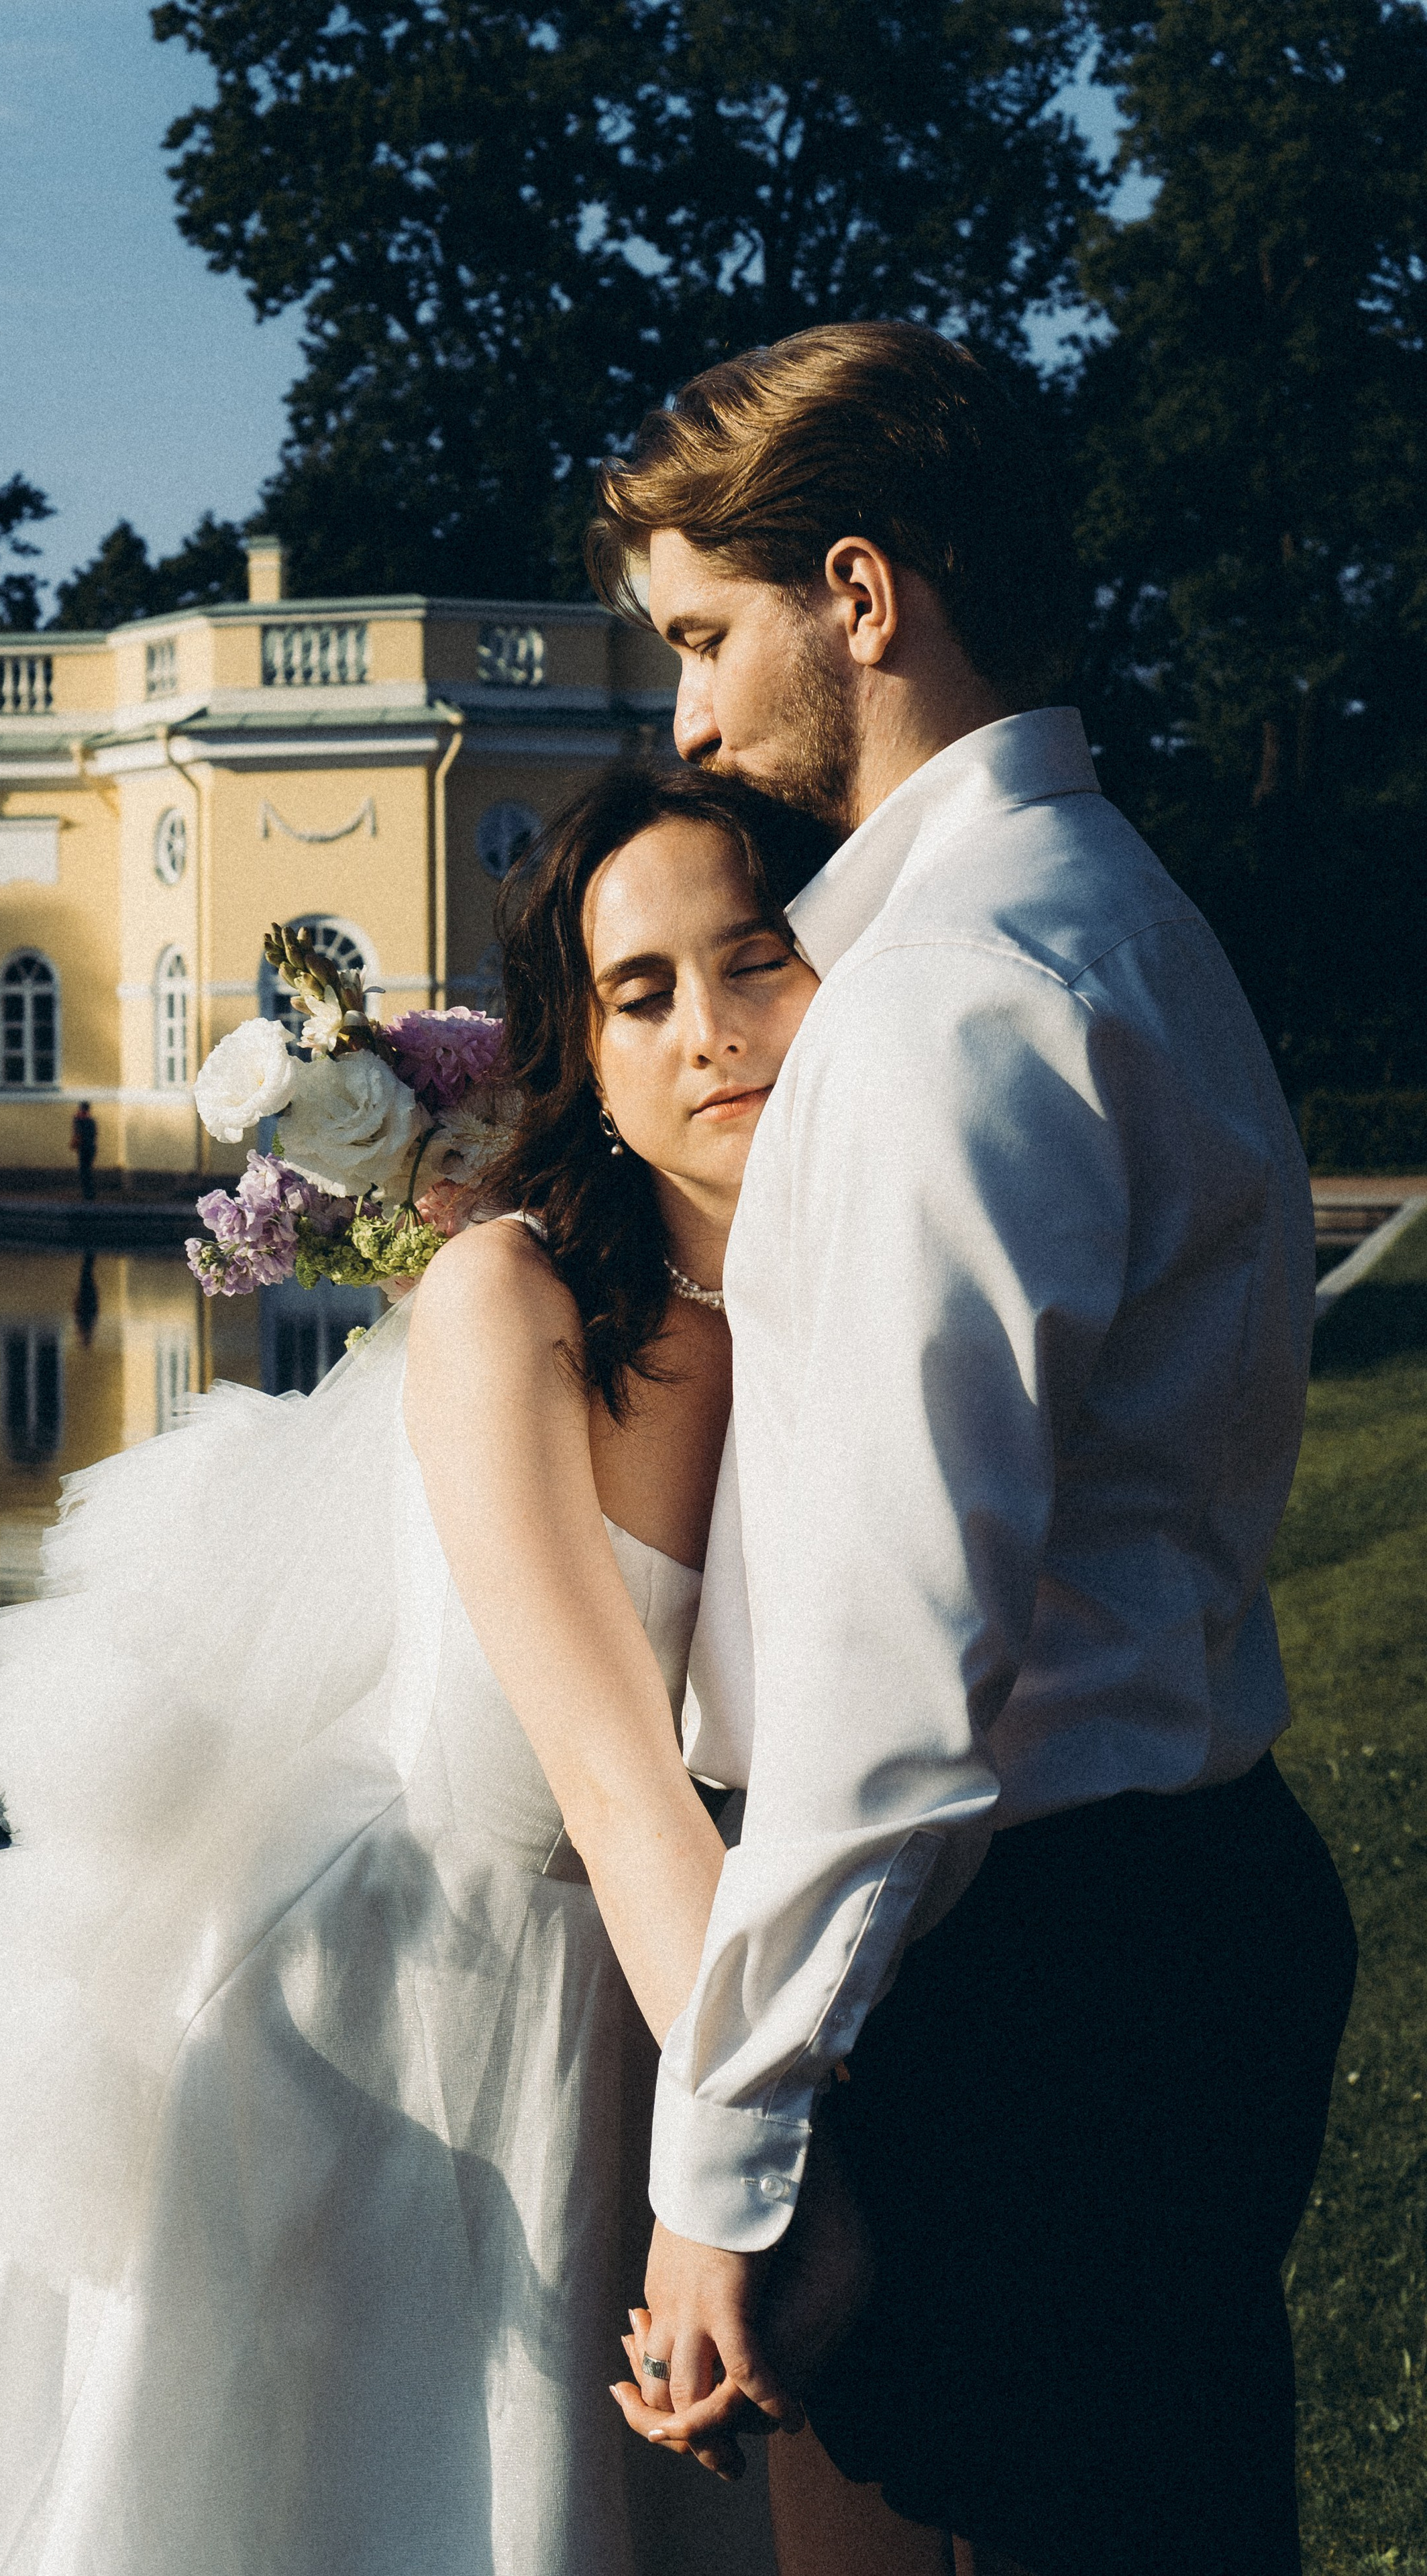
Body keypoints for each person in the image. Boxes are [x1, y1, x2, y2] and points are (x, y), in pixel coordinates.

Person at [0, 765, 847, 2576]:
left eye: (758, 962)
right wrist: (784, 2157)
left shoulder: (844, 1304)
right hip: (389, 2028)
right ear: (589, 1058)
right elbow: (620, 1789)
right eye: (641, 994)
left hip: (652, 2001)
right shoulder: (515, 1305)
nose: (710, 1033)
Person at [593, 322, 1358, 2575]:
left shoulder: (948, 1001)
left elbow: (896, 1682)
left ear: (859, 595)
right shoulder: (1119, 914)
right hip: (1167, 1908)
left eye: (706, 640)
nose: (691, 724)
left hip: (1036, 1986)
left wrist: (722, 2170)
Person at [70, 1099, 98, 1201]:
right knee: (88, 1170)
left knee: (84, 1171)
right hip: (91, 1148)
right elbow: (94, 1134)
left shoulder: (79, 1120)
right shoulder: (92, 1120)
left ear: (81, 1108)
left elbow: (77, 1133)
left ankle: (88, 1194)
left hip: (84, 1148)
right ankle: (90, 1193)